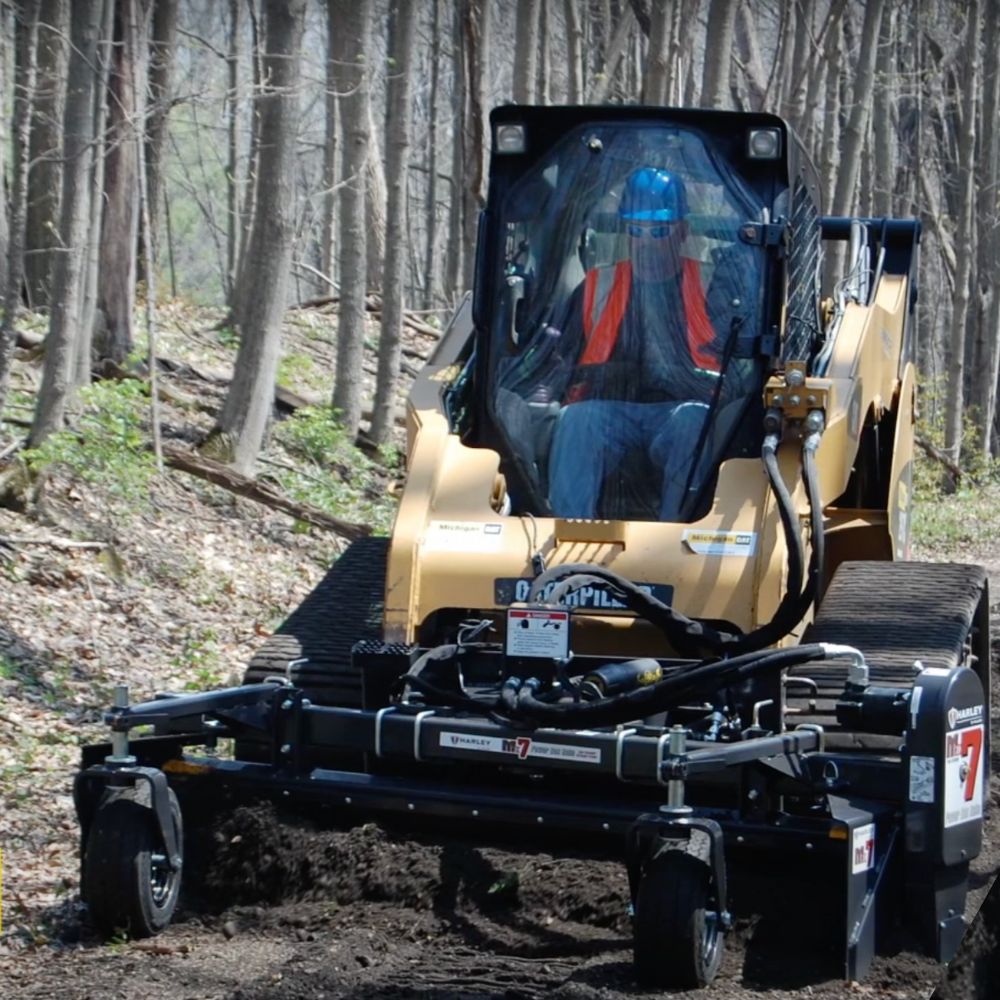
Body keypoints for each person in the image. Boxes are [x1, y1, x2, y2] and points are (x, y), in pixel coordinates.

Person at [546, 167, 728, 521]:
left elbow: (736, 364)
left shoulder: (712, 286)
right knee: (576, 420)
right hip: (612, 411)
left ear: (682, 232)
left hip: (680, 410)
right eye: (635, 230)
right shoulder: (598, 285)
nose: (645, 242)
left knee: (693, 421)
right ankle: (568, 531)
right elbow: (559, 356)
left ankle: (673, 536)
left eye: (658, 231)